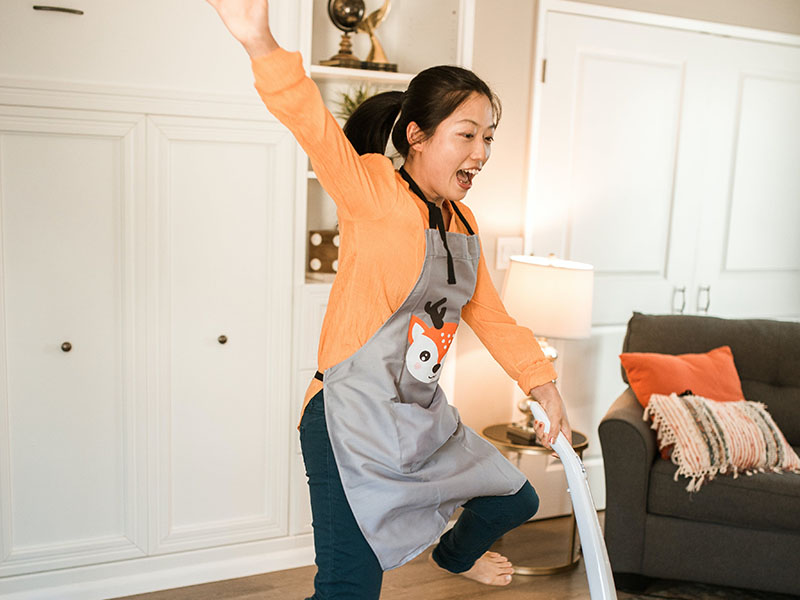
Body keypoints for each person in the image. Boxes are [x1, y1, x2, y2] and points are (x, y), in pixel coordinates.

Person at [206, 1, 573, 598]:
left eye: (488, 138)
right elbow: (311, 124)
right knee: (350, 588)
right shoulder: (371, 190)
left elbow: (491, 317)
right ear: (418, 137)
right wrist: (259, 42)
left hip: (418, 418)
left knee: (515, 497)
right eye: (467, 135)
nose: (481, 153)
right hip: (346, 419)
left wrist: (543, 384)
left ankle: (453, 557)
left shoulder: (464, 224)